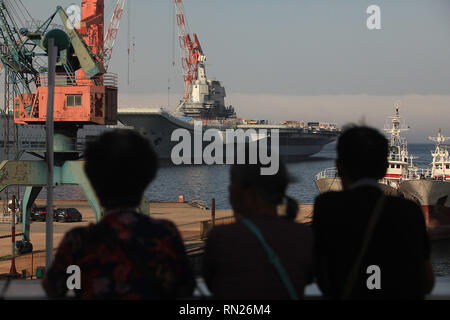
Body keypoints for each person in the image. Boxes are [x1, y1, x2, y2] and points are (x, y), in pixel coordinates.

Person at [43, 129, 195, 299]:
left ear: (93, 179)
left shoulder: (77, 242)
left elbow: (52, 287)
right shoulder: (166, 235)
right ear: (148, 178)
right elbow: (186, 288)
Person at [313, 125, 435, 299]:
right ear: (385, 168)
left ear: (338, 167)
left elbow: (322, 276)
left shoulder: (326, 206)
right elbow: (428, 283)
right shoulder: (410, 211)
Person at [202, 159, 314, 299]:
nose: (229, 188)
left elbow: (211, 283)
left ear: (247, 193)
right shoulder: (303, 235)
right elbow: (309, 278)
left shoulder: (221, 237)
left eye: (232, 183)